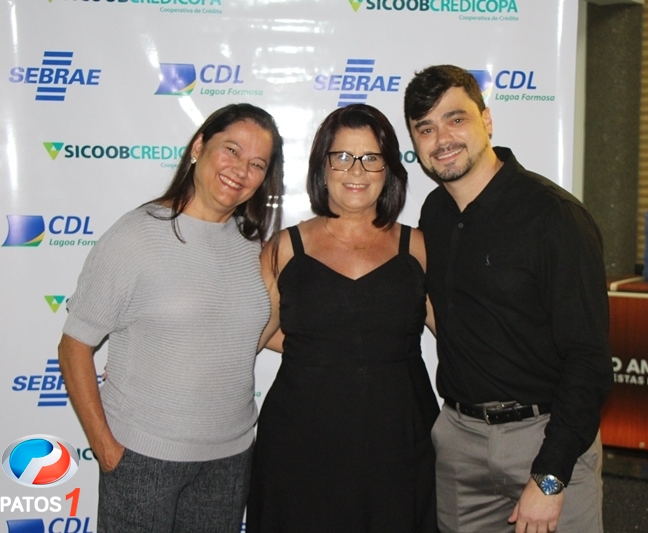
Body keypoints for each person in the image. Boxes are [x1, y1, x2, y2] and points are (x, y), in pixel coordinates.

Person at [403, 65, 614, 533]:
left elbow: (589, 360)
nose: (442, 138)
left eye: (456, 119)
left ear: (487, 120)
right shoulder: (434, 213)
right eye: (426, 128)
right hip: (459, 445)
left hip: (546, 441)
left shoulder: (555, 217)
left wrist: (550, 476)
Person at [57, 103, 284, 533]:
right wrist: (105, 448)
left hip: (230, 461)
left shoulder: (253, 248)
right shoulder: (135, 235)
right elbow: (74, 346)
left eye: (257, 164)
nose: (241, 170)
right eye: (231, 150)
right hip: (143, 459)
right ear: (199, 146)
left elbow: (246, 331)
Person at [246, 103, 439, 533]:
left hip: (401, 448)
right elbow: (246, 338)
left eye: (371, 157)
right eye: (343, 156)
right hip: (299, 450)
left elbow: (463, 339)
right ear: (322, 166)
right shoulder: (285, 248)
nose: (356, 170)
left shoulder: (419, 247)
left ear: (389, 169)